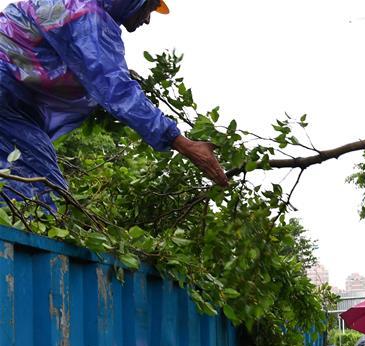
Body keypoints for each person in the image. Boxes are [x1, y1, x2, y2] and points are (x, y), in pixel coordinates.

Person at [0, 0, 228, 210]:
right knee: (42, 194)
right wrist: (181, 142)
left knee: (15, 181)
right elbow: (116, 88)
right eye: (149, 7)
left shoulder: (77, 7)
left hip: (10, 100)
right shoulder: (88, 17)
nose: (147, 19)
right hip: (4, 95)